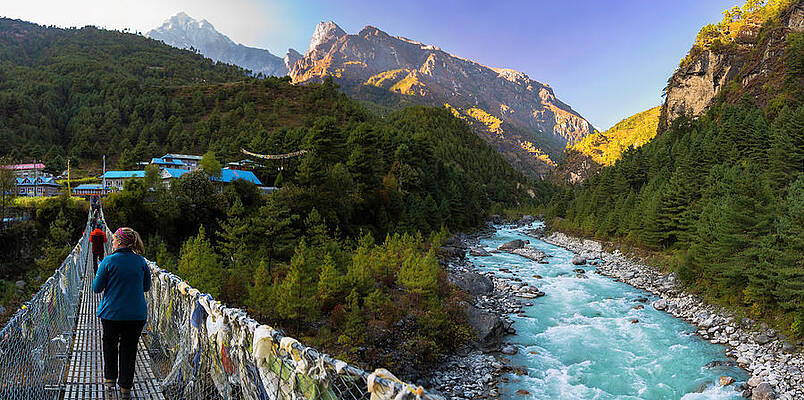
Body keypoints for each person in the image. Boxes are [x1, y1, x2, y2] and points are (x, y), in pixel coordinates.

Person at [92, 227, 151, 399]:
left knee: (110, 344)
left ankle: (110, 378)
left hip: (112, 314)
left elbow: (96, 288)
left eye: (114, 239)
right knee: (129, 348)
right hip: (136, 314)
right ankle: (125, 386)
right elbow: (146, 287)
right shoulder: (141, 262)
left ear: (119, 241)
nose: (111, 241)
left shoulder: (108, 261)